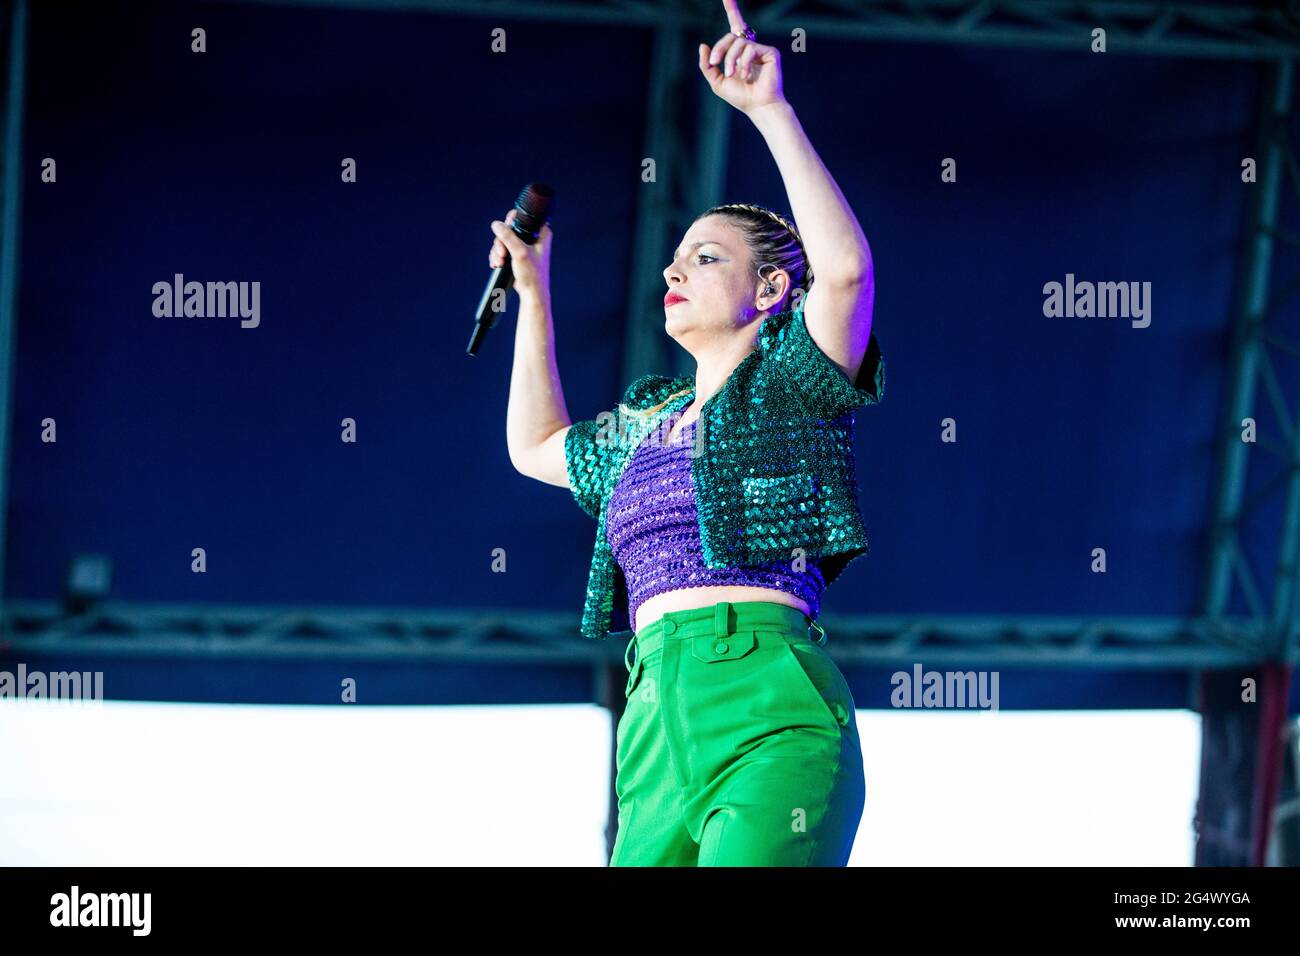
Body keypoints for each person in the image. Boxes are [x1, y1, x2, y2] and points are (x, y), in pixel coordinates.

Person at [497, 0, 884, 866]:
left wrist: (768, 112)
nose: (675, 266)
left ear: (773, 291)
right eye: (676, 256)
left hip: (766, 703)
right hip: (652, 730)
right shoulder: (645, 422)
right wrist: (532, 290)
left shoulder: (792, 387)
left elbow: (848, 271)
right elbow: (535, 447)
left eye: (707, 256)